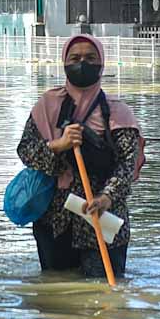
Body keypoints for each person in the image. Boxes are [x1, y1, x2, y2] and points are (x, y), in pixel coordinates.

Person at [17, 36, 143, 277]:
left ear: (102, 63)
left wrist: (107, 197)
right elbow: (26, 151)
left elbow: (127, 164)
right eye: (75, 58)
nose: (82, 63)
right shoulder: (48, 106)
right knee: (57, 294)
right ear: (64, 62)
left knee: (103, 292)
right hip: (55, 222)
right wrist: (58, 144)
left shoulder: (117, 112)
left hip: (104, 220)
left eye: (90, 58)